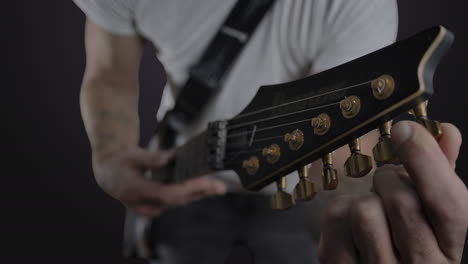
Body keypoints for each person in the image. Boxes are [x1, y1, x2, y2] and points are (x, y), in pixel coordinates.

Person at [74, 0, 468, 263]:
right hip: (177, 178)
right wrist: (109, 158)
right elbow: (110, 73)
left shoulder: (356, 4)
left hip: (296, 194)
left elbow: (337, 150)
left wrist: (355, 212)